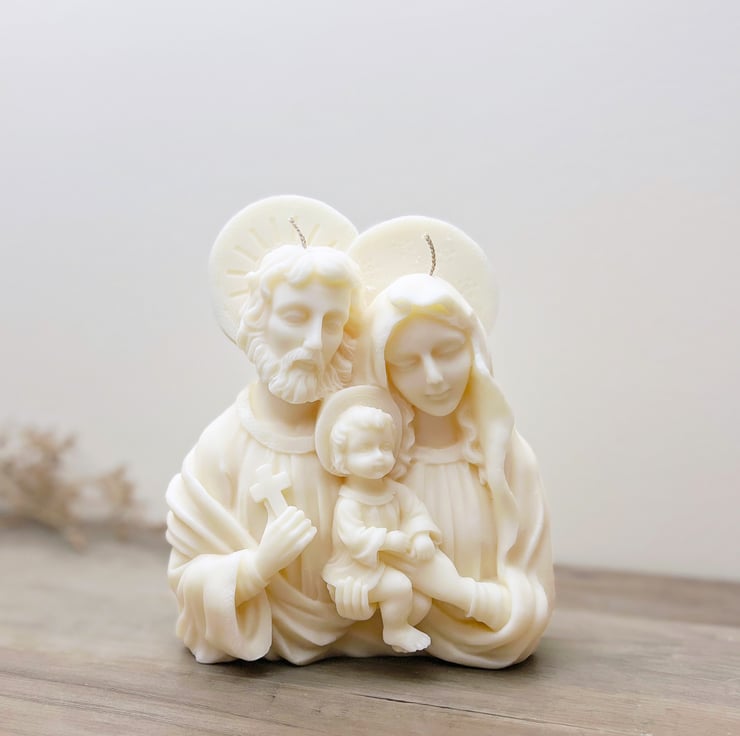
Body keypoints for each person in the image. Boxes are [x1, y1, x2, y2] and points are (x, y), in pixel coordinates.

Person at [166, 242, 366, 664]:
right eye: (295, 317)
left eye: (332, 323)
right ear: (258, 321)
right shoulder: (221, 447)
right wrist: (257, 567)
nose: (315, 342)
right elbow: (188, 581)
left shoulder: (358, 438)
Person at [361, 272, 555, 668]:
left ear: (474, 348)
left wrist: (453, 590)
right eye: (408, 363)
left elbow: (529, 609)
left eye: (448, 351)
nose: (434, 378)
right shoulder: (374, 467)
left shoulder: (509, 463)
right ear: (383, 372)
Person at [316, 388, 510, 654]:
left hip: (393, 563)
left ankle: (404, 626)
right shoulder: (350, 503)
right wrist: (387, 540)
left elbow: (415, 513)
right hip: (357, 570)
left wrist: (420, 535)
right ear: (341, 458)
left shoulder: (395, 492)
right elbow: (354, 538)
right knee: (399, 587)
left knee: (418, 603)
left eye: (385, 447)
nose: (379, 456)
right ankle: (394, 630)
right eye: (365, 449)